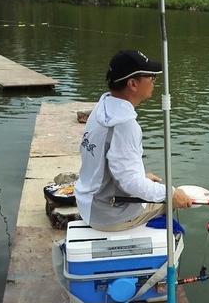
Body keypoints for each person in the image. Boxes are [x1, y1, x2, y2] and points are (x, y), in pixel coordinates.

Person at [75, 49, 192, 231]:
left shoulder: (102, 107)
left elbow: (107, 163)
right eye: (150, 77)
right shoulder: (125, 125)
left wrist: (140, 177)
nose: (154, 81)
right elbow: (131, 183)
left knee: (154, 189)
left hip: (86, 202)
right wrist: (172, 193)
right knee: (172, 202)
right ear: (132, 84)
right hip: (106, 215)